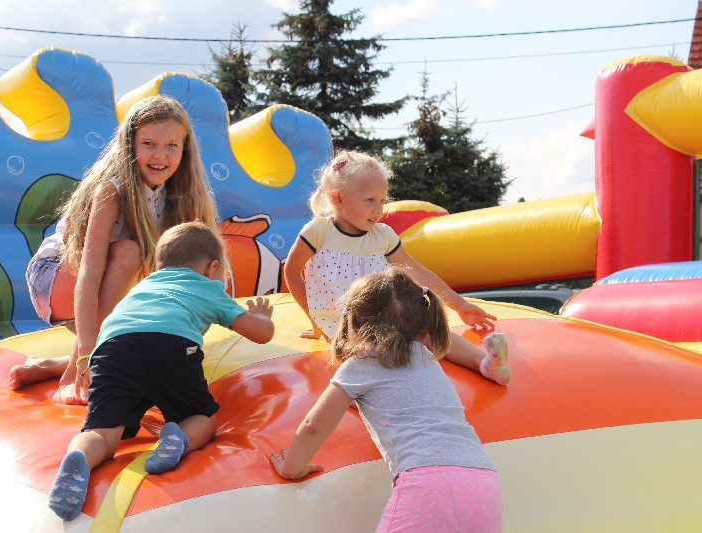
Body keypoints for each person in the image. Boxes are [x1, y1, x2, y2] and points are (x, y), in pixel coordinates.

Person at [48, 221, 275, 521]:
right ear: (212, 267)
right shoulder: (207, 287)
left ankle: (79, 456)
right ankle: (179, 438)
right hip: (171, 348)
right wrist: (260, 315)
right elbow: (260, 334)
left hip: (113, 350)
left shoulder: (143, 287)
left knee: (101, 433)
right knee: (202, 418)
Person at [9, 95, 218, 404]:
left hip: (108, 289)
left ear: (185, 149)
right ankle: (72, 375)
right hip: (57, 277)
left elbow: (202, 276)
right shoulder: (112, 190)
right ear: (130, 145)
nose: (160, 155)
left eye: (172, 145)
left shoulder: (183, 197)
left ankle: (53, 365)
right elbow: (90, 274)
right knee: (130, 252)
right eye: (149, 143)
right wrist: (85, 357)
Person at [270, 267, 502, 532]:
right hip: (484, 481)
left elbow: (315, 425)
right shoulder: (427, 359)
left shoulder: (362, 363)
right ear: (423, 323)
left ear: (356, 324)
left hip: (427, 482)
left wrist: (292, 468)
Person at [283, 150, 510, 385]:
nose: (378, 209)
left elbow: (416, 271)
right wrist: (315, 321)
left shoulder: (383, 236)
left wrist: (459, 304)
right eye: (369, 200)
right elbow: (291, 271)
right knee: (370, 354)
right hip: (343, 326)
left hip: (384, 317)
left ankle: (487, 364)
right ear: (338, 198)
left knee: (431, 332)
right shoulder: (319, 232)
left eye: (382, 201)